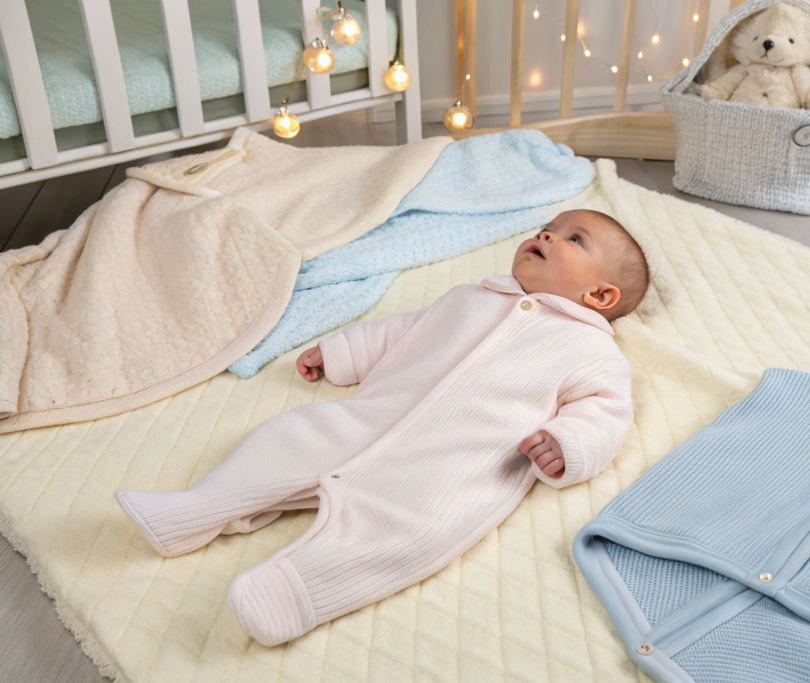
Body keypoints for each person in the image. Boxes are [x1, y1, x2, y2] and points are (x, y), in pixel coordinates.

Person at [115, 209, 649, 646]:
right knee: (284, 440)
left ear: (600, 297)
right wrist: (342, 352)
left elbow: (606, 412)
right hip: (364, 418)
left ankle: (298, 591)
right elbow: (403, 332)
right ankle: (194, 510)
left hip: (450, 468)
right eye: (548, 227)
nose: (547, 235)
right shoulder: (470, 297)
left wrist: (567, 444)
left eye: (573, 238)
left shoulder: (592, 351)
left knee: (410, 535)